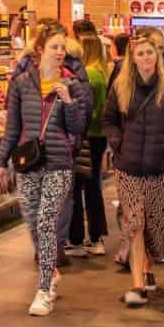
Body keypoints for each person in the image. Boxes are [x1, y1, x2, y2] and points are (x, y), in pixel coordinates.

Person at [0, 23, 90, 315]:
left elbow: (79, 128)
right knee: (34, 221)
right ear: (40, 51)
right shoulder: (22, 83)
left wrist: (69, 101)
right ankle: (50, 268)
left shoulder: (73, 84)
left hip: (60, 162)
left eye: (63, 48)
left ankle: (44, 288)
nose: (60, 53)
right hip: (28, 161)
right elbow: (13, 126)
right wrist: (1, 161)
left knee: (47, 221)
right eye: (54, 47)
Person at [102, 28, 164, 307]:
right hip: (127, 167)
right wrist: (117, 142)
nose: (146, 57)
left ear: (158, 54)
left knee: (156, 225)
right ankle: (138, 285)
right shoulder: (121, 85)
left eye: (150, 52)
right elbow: (109, 119)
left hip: (158, 167)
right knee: (135, 224)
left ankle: (147, 268)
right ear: (133, 58)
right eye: (140, 53)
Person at [65, 31, 111, 258]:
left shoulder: (88, 75)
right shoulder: (101, 72)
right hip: (97, 136)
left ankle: (78, 239)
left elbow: (87, 110)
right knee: (93, 187)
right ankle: (96, 236)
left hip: (86, 136)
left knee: (77, 186)